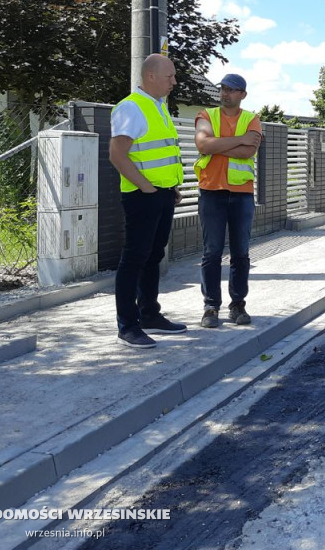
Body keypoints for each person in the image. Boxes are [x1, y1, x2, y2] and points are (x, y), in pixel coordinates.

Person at [109, 53, 188, 349]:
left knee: (154, 256)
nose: (174, 82)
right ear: (151, 76)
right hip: (143, 196)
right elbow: (117, 154)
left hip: (162, 193)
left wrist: (170, 188)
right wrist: (147, 188)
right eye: (170, 76)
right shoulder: (132, 107)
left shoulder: (158, 107)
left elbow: (161, 153)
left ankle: (150, 315)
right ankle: (127, 326)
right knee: (134, 259)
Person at [193, 73, 262, 328]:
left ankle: (237, 305)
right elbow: (203, 145)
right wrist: (237, 140)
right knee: (211, 252)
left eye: (232, 90)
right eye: (223, 89)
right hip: (211, 191)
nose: (225, 94)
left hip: (242, 194)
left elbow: (249, 150)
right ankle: (210, 307)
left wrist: (217, 144)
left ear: (243, 94)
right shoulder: (206, 115)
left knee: (241, 253)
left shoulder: (251, 119)